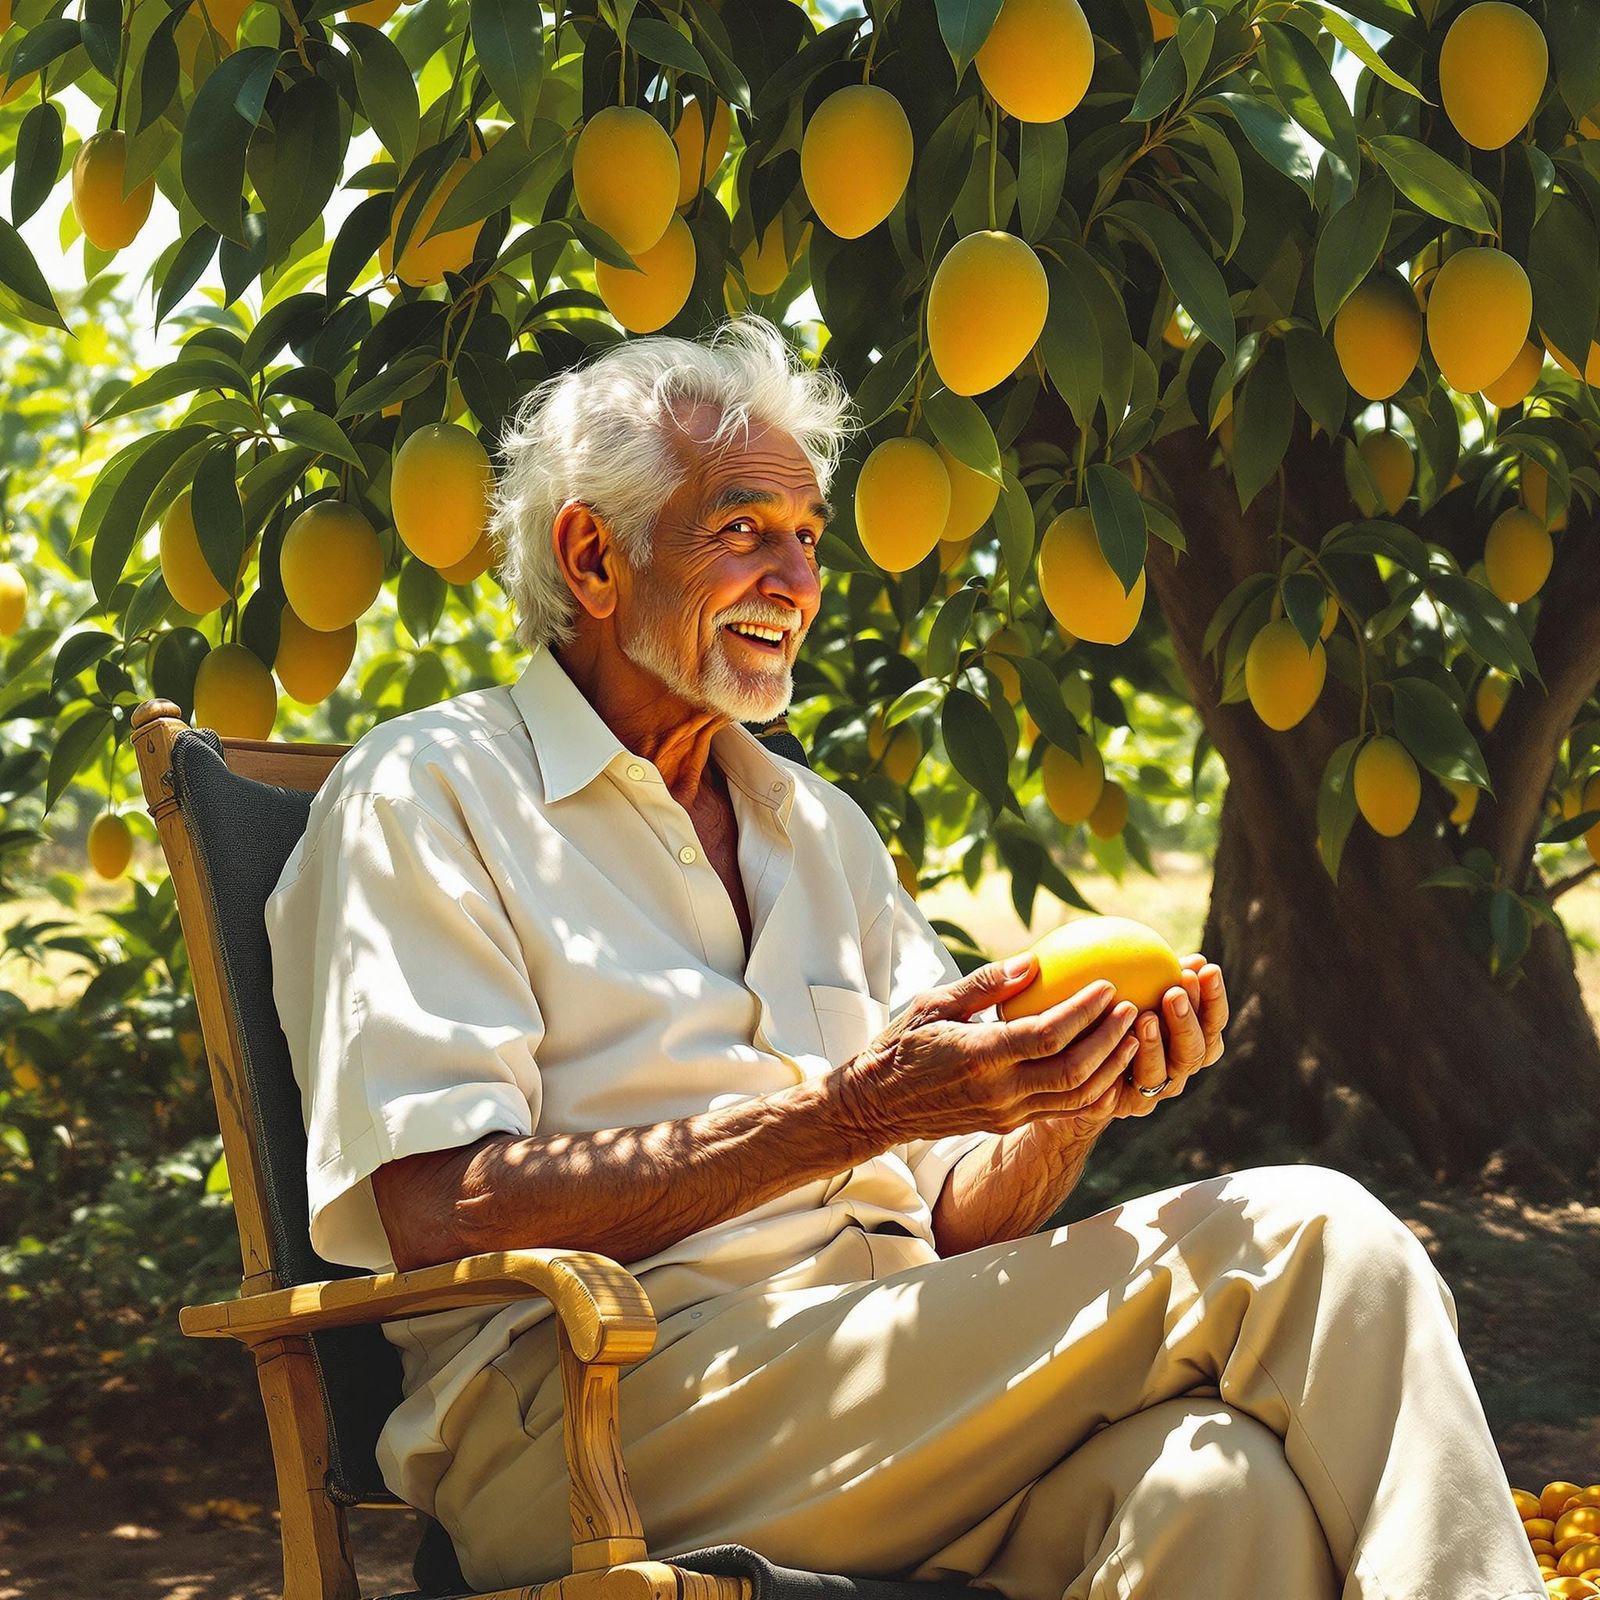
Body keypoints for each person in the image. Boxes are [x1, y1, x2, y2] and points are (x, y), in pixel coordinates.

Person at [265, 315, 1546, 1600]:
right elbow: (441, 1207)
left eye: (808, 536)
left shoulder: (819, 831)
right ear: (593, 557)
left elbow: (952, 1210)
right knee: (1307, 1235)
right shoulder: (430, 792)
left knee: (1221, 1486)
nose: (795, 577)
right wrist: (851, 1112)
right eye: (743, 528)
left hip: (880, 1392)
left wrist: (1060, 1106)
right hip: (604, 1411)